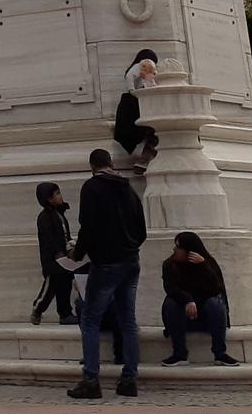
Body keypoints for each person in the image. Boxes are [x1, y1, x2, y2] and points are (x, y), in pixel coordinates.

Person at [68, 148, 144, 401]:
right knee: (128, 320)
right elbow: (141, 228)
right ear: (110, 163)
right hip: (131, 260)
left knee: (90, 319)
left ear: (92, 166)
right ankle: (129, 379)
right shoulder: (127, 187)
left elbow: (87, 226)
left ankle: (91, 379)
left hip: (107, 262)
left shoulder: (92, 188)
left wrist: (78, 254)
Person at [159, 231, 238, 367]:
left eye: (179, 247)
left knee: (215, 302)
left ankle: (220, 353)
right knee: (170, 303)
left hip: (207, 317)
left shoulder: (207, 263)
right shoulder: (169, 265)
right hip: (181, 316)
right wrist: (188, 300)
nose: (174, 250)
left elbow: (216, 289)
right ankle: (179, 354)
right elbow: (171, 289)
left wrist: (203, 266)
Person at [31, 181, 78, 326]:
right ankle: (38, 308)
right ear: (48, 199)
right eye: (56, 193)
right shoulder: (45, 217)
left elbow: (64, 235)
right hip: (53, 260)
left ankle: (65, 313)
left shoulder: (59, 215)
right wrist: (58, 252)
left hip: (64, 257)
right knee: (50, 287)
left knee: (65, 285)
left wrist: (70, 244)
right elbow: (49, 239)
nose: (60, 196)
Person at [112, 50, 159, 168]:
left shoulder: (140, 70)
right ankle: (146, 155)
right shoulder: (139, 68)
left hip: (131, 111)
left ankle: (145, 156)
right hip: (138, 106)